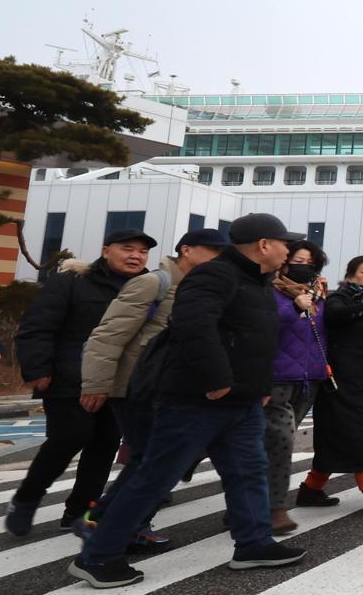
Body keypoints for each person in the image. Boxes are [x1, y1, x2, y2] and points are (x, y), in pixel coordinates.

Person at [69, 213, 307, 588]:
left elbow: (256, 341)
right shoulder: (215, 275)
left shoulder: (259, 281)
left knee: (248, 471)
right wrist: (217, 379)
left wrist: (260, 386)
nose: (288, 251)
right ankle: (97, 556)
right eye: (285, 244)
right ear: (264, 245)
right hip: (196, 398)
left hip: (242, 401)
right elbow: (194, 326)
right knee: (156, 476)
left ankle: (254, 543)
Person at [73, 228, 228, 548]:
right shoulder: (155, 283)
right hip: (136, 386)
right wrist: (96, 384)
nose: (219, 259)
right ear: (186, 250)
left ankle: (107, 520)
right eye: (213, 251)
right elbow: (108, 335)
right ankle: (111, 522)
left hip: (170, 388)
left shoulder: (204, 289)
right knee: (153, 458)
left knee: (153, 458)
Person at [6, 228, 153, 537]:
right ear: (106, 250)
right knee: (70, 437)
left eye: (142, 251)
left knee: (104, 445)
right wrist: (37, 369)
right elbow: (37, 326)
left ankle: (79, 511)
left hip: (119, 383)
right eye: (128, 248)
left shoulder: (147, 287)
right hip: (68, 378)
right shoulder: (72, 282)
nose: (136, 256)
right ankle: (26, 499)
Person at [297, 256, 363, 512]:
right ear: (351, 275)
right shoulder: (340, 297)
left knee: (334, 438)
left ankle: (311, 489)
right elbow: (333, 315)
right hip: (341, 380)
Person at [265, 240, 331, 534]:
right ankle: (275, 510)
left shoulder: (318, 298)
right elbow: (262, 326)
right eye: (298, 261)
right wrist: (293, 307)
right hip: (276, 379)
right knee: (281, 443)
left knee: (265, 445)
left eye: (310, 263)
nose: (304, 267)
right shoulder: (270, 291)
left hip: (309, 380)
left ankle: (244, 504)